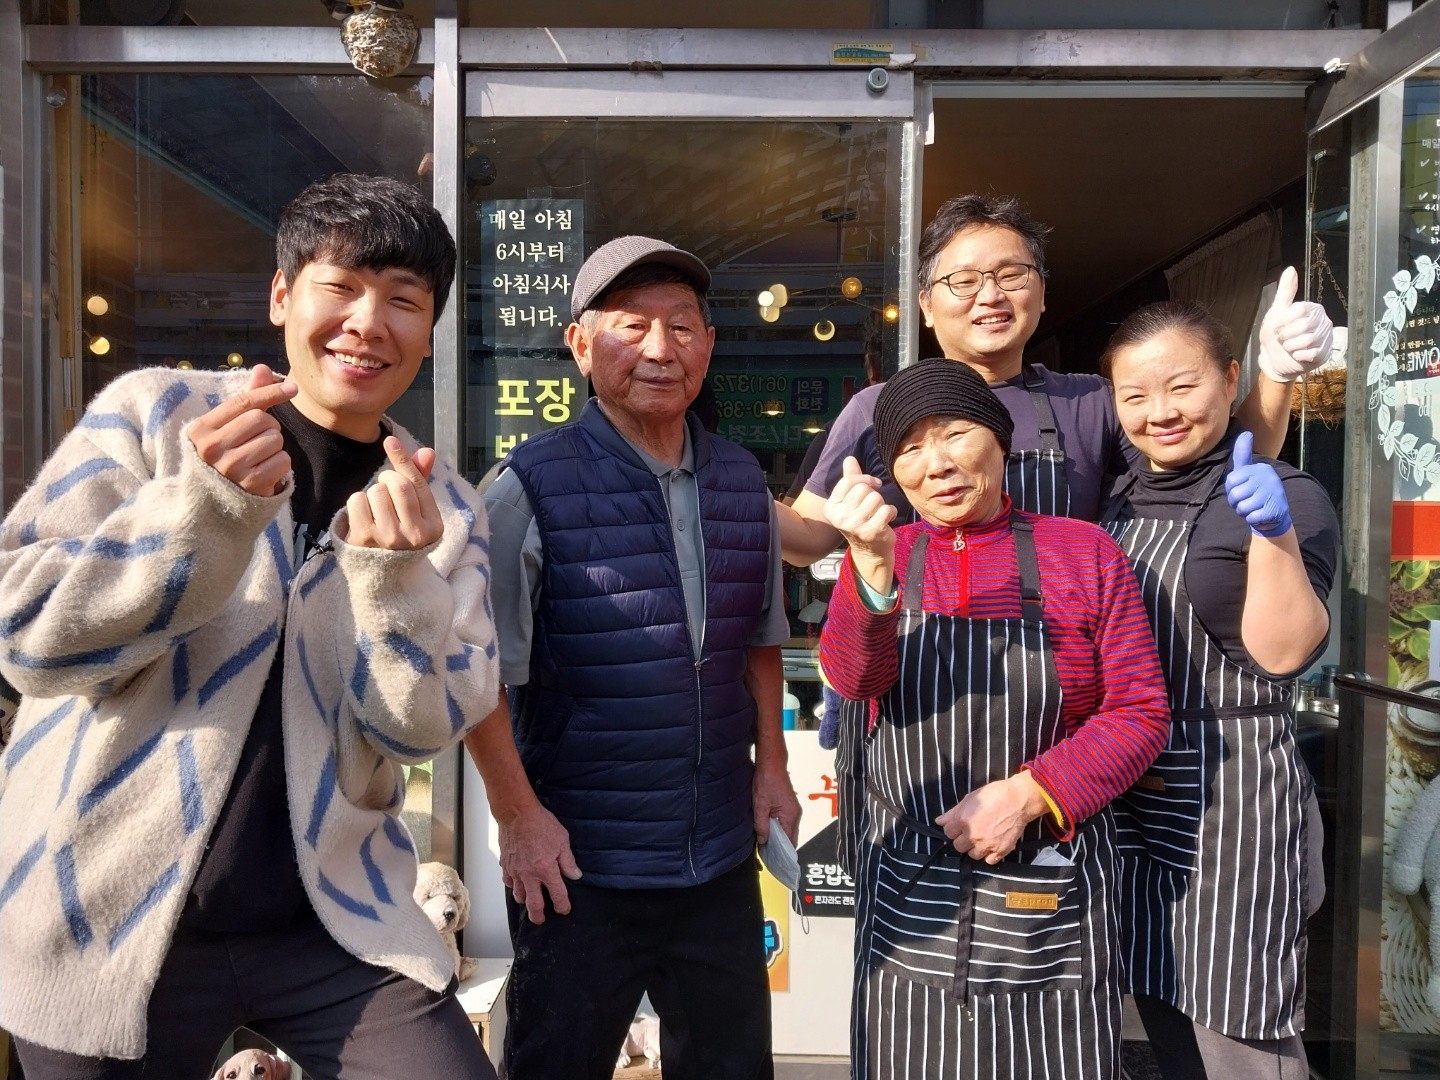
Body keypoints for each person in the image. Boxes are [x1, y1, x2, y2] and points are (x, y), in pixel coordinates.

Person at [0, 174, 501, 1080]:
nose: (368, 323)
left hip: (336, 924)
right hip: (106, 913)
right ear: (281, 296)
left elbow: (423, 730)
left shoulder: (447, 510)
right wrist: (202, 514)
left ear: (430, 332)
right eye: (340, 286)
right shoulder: (158, 418)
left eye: (404, 301)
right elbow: (26, 635)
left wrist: (395, 583)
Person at [779, 192, 1334, 872]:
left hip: (1062, 730)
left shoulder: (1090, 402)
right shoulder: (879, 409)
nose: (990, 295)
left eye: (1011, 274)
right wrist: (709, 485)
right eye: (963, 280)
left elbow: (1219, 463)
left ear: (1042, 293)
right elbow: (807, 537)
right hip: (912, 719)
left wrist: (1274, 376)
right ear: (925, 303)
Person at [462, 235, 801, 1080]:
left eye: (682, 326)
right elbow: (475, 672)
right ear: (580, 345)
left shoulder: (740, 480)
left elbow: (759, 640)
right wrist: (517, 818)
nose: (660, 348)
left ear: (708, 345)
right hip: (580, 861)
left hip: (717, 852)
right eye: (631, 326)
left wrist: (772, 764)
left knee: (731, 1068)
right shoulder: (529, 486)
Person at [819, 358, 1170, 1080]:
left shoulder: (1084, 552)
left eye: (955, 434)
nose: (936, 464)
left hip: (1048, 879)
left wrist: (1029, 794)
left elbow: (1139, 712)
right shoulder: (886, 554)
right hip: (911, 883)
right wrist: (871, 572)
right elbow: (856, 680)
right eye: (910, 448)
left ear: (1000, 439)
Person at [1098, 301, 1338, 1079]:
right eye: (1135, 396)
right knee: (1165, 1010)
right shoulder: (1119, 495)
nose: (1160, 412)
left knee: (1240, 1029)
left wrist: (1273, 535)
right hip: (1134, 793)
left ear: (1232, 380)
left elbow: (1284, 651)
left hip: (1233, 799)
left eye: (1183, 386)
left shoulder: (1289, 494)